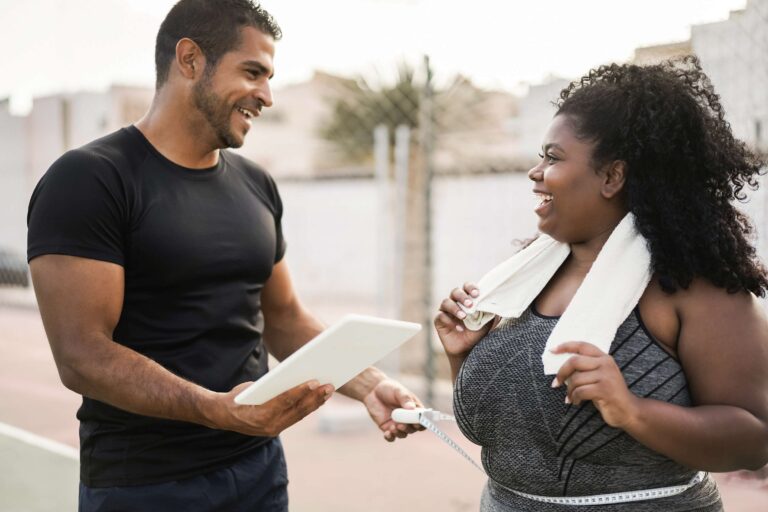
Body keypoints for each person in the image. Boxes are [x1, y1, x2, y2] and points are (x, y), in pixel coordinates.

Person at [27, 1, 422, 510]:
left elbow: (283, 318)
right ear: (189, 60)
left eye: (270, 77)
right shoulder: (89, 179)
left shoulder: (256, 184)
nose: (267, 96)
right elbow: (82, 356)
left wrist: (370, 384)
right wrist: (215, 410)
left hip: (258, 470)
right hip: (145, 484)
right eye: (253, 72)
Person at [435, 57, 768, 511]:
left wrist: (631, 411)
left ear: (612, 176)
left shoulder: (693, 286)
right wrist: (463, 357)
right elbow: (496, 434)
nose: (536, 173)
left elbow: (753, 439)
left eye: (552, 158)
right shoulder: (526, 279)